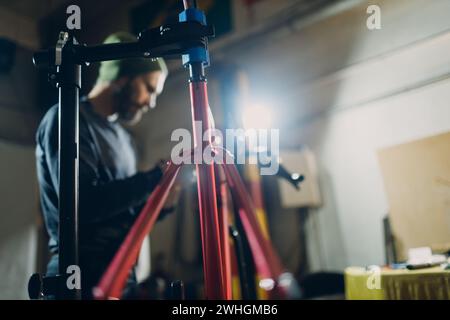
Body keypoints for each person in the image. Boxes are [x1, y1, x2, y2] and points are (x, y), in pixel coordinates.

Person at [35, 32, 171, 299]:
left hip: (121, 275)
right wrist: (153, 178)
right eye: (149, 88)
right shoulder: (67, 119)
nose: (150, 102)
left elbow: (122, 213)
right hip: (79, 277)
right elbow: (83, 205)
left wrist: (163, 203)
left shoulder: (125, 140)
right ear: (122, 77)